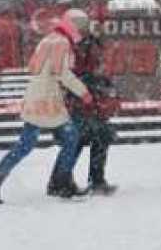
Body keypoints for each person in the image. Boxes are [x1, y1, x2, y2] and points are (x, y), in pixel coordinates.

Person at [0, 9, 94, 204]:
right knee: (71, 138)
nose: (82, 32)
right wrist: (84, 93)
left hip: (35, 97)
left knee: (25, 145)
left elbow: (34, 67)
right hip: (49, 101)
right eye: (81, 27)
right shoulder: (62, 43)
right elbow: (62, 73)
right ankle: (62, 182)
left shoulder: (48, 39)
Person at [47, 30, 121, 196]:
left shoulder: (84, 50)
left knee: (93, 137)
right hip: (74, 108)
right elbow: (71, 78)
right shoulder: (76, 52)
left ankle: (65, 180)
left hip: (82, 108)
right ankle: (66, 180)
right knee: (84, 138)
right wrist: (94, 82)